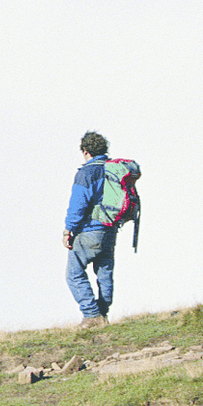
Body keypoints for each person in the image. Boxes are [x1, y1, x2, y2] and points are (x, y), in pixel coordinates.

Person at [62, 131, 117, 328]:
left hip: (89, 231)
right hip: (110, 229)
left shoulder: (86, 173)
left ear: (86, 151)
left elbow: (78, 204)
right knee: (104, 271)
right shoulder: (113, 170)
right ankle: (103, 313)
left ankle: (92, 315)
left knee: (74, 273)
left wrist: (68, 231)